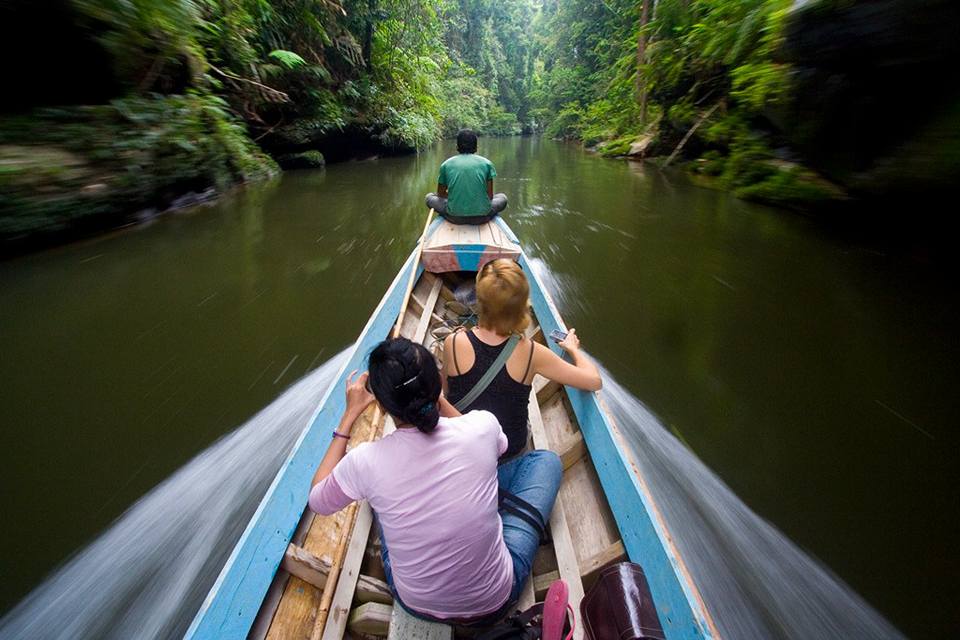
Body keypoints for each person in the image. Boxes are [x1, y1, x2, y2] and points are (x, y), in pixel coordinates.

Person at [308, 338, 561, 624]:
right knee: (545, 462)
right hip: (495, 599)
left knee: (379, 498)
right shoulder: (481, 426)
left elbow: (318, 500)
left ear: (380, 405)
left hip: (416, 602)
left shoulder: (364, 462)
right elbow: (500, 448)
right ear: (439, 382)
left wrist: (349, 416)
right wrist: (438, 399)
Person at [443, 258, 602, 462]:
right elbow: (594, 381)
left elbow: (446, 393)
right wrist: (573, 349)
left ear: (480, 301)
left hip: (466, 447)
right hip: (508, 451)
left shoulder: (453, 342)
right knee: (548, 462)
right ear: (522, 305)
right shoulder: (532, 352)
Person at [425, 129, 508, 225]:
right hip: (482, 217)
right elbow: (489, 196)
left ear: (457, 147)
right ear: (476, 148)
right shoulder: (487, 163)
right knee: (502, 197)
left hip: (454, 217)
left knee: (430, 197)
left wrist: (455, 197)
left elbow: (440, 194)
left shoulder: (446, 164)